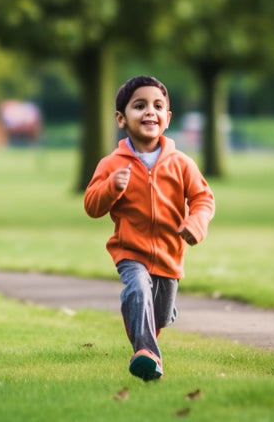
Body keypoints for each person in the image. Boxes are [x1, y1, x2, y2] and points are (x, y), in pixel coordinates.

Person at [84, 75, 216, 381]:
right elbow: (92, 205)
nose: (149, 112)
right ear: (121, 118)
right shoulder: (111, 164)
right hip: (130, 251)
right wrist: (110, 189)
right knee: (138, 289)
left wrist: (196, 224)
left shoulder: (181, 163)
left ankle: (152, 320)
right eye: (139, 106)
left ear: (167, 118)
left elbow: (203, 199)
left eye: (158, 106)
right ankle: (146, 353)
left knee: (161, 314)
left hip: (170, 256)